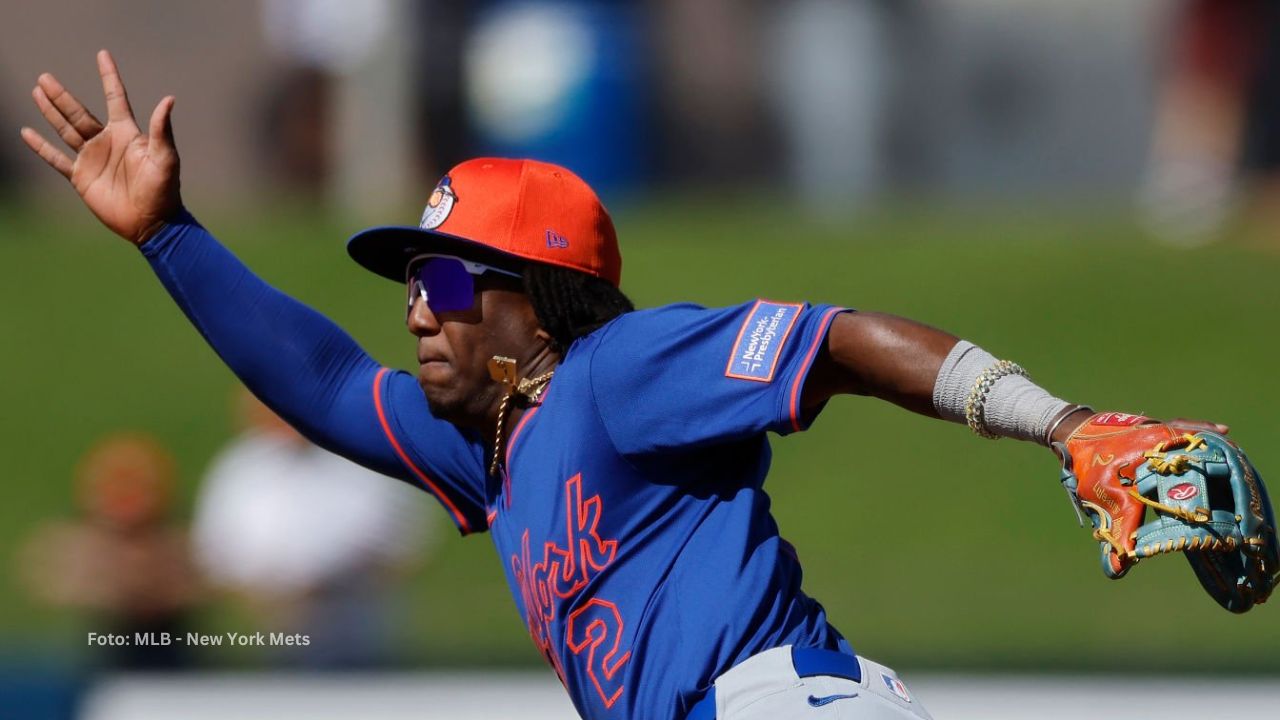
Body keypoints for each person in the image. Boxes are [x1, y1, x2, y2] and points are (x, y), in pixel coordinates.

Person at [19, 51, 1255, 720]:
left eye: (445, 282)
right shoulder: (492, 446)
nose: (415, 308)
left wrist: (1065, 425)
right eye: (410, 283)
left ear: (535, 303)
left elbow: (836, 342)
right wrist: (169, 236)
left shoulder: (614, 370)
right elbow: (328, 382)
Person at [192, 387, 434, 668]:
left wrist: (335, 585)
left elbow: (405, 546)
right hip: (270, 635)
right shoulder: (239, 471)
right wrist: (269, 597)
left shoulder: (361, 458)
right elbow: (214, 558)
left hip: (355, 629)